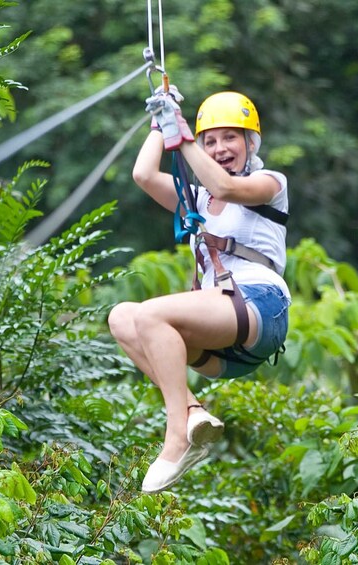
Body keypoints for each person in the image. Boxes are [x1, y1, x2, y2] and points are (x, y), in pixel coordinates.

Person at [108, 88, 290, 493]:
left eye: (230, 138)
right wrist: (161, 121)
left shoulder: (270, 183)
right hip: (224, 347)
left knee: (151, 313)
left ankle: (177, 434)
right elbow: (143, 175)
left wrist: (184, 134)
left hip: (261, 307)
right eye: (211, 140)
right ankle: (190, 412)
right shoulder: (198, 199)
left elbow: (227, 187)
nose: (220, 147)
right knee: (122, 316)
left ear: (250, 143)